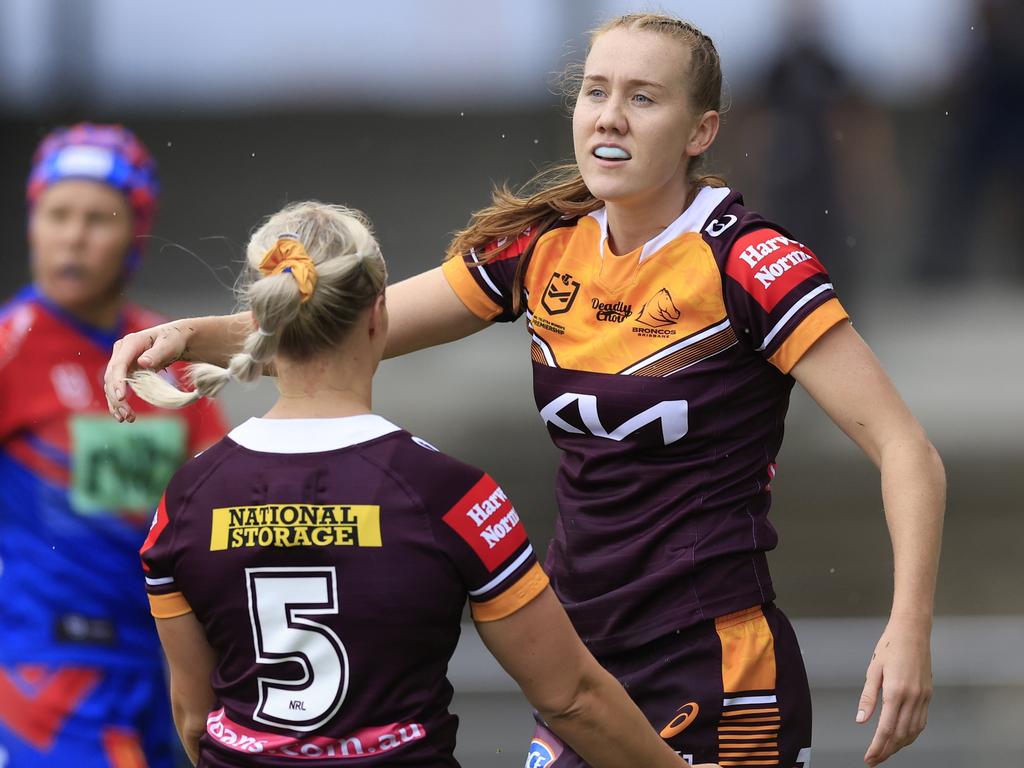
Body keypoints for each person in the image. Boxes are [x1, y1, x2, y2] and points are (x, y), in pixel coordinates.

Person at [104, 13, 946, 768]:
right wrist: (188, 334)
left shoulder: (751, 264)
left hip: (714, 664)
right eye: (596, 91)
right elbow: (353, 317)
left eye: (644, 98)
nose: (610, 115)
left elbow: (907, 450)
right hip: (579, 660)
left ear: (702, 130)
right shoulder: (545, 250)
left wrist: (909, 631)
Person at [125, 200, 712, 768]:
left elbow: (196, 720)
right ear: (378, 315)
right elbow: (570, 699)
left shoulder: (185, 499)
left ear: (264, 323)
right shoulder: (452, 496)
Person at [0, 123, 227, 768]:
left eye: (98, 218)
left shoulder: (163, 351)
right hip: (47, 670)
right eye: (56, 214)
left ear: (137, 231)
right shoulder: (10, 348)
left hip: (157, 666)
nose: (73, 236)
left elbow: (220, 494)